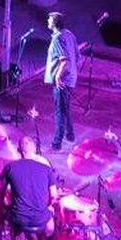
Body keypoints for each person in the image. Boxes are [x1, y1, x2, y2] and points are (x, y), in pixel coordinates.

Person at [0, 136, 58, 240]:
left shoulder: (10, 168)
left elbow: (3, 195)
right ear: (35, 150)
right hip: (41, 218)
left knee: (2, 211)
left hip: (18, 217)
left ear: (19, 150)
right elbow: (54, 196)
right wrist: (49, 207)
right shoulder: (47, 169)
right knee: (50, 227)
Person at [44, 12, 78, 151]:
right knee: (65, 108)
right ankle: (70, 135)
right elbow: (77, 55)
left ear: (55, 23)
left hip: (62, 80)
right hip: (70, 78)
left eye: (49, 19)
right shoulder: (69, 34)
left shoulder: (58, 39)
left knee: (59, 112)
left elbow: (65, 60)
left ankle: (56, 143)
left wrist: (58, 76)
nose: (47, 21)